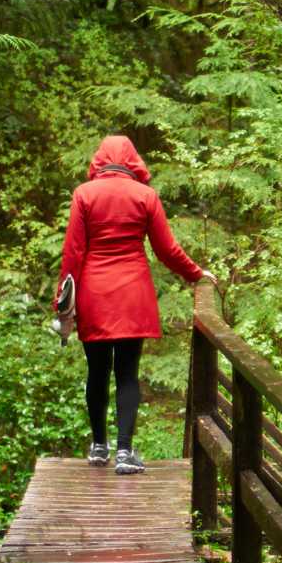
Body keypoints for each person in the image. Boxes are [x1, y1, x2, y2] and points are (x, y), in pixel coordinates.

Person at [59, 135, 213, 475]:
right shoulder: (146, 196)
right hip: (132, 294)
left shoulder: (84, 194)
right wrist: (196, 272)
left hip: (93, 294)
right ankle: (125, 452)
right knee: (127, 373)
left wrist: (62, 301)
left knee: (96, 371)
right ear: (133, 162)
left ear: (100, 160)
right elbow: (166, 249)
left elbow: (73, 253)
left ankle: (99, 447)